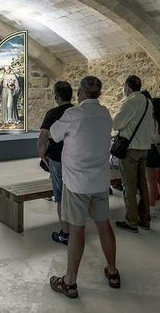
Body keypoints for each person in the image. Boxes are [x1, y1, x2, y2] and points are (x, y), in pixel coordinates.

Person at [48, 76, 120, 298]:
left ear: (80, 92)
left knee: (77, 230)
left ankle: (70, 281)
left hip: (77, 182)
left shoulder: (73, 114)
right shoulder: (105, 113)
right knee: (104, 225)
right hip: (99, 181)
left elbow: (53, 134)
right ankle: (112, 270)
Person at [112, 76, 159, 233]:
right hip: (144, 148)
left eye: (124, 86)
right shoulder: (148, 102)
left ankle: (131, 221)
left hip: (130, 149)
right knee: (142, 184)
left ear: (128, 86)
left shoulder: (131, 101)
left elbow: (117, 123)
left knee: (129, 185)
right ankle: (145, 219)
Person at [38, 81, 75, 244]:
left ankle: (65, 233)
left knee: (59, 196)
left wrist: (42, 155)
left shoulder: (52, 113)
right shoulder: (77, 111)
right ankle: (76, 229)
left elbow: (43, 136)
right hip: (75, 158)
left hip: (57, 158)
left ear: (57, 96)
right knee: (73, 194)